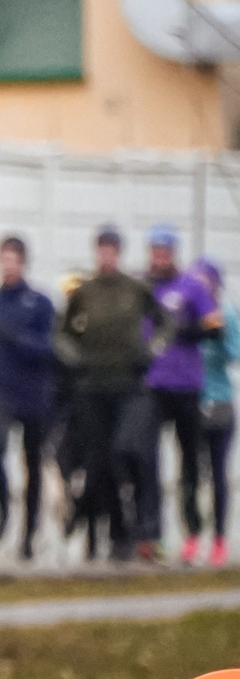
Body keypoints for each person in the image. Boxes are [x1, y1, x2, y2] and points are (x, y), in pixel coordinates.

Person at [54, 225, 164, 562]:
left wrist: (153, 349)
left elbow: (165, 322)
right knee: (100, 463)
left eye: (111, 252)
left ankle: (144, 524)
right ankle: (117, 534)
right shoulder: (86, 293)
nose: (106, 258)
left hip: (128, 386)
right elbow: (62, 334)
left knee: (126, 450)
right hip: (93, 388)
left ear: (118, 254)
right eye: (101, 251)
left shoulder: (134, 289)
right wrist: (75, 358)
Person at [0, 235, 60, 560]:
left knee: (32, 463)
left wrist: (22, 342)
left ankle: (29, 534)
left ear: (22, 263)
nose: (7, 267)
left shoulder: (40, 303)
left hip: (34, 393)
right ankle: (3, 509)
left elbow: (51, 346)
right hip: (1, 391)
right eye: (3, 261)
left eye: (12, 261)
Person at [144, 227, 223, 563]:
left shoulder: (191, 286)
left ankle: (192, 532)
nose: (160, 258)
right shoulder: (143, 288)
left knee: (189, 463)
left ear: (173, 254)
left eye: (166, 252)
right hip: (153, 386)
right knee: (146, 459)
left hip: (187, 385)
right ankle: (152, 534)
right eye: (156, 252)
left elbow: (214, 328)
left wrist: (183, 330)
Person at [196, 259, 235, 567]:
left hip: (220, 402)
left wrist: (219, 334)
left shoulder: (228, 314)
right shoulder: (191, 314)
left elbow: (235, 353)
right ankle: (193, 535)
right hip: (192, 402)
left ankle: (220, 538)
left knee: (218, 473)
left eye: (205, 279)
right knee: (192, 473)